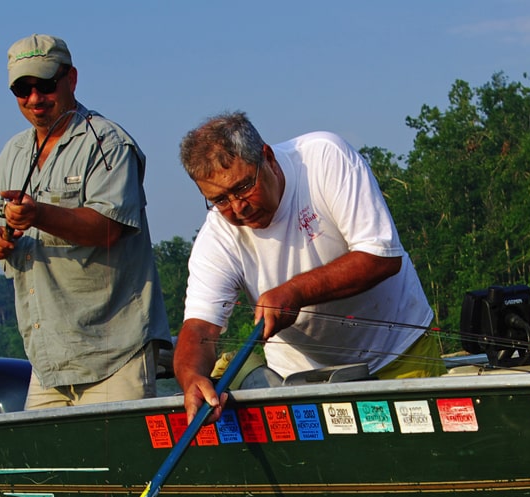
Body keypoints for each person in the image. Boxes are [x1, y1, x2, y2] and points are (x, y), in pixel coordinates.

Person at [173, 111, 442, 422]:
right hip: (304, 381)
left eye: (243, 187)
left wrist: (295, 292)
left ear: (268, 158)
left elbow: (381, 255)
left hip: (398, 353)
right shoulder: (217, 239)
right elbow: (199, 328)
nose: (237, 207)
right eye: (219, 200)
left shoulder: (324, 159)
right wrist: (192, 377)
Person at [0, 34, 169, 410]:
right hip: (47, 364)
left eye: (45, 85)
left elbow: (109, 227)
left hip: (115, 358)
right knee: (45, 470)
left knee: (120, 470)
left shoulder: (108, 144)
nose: (34, 99)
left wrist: (38, 214)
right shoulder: (11, 153)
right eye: (22, 89)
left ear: (71, 79)